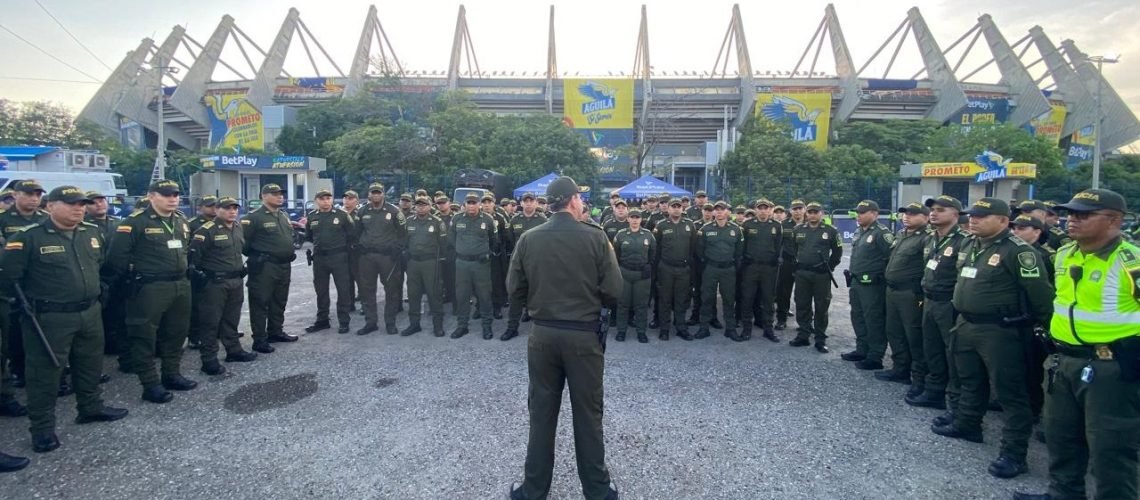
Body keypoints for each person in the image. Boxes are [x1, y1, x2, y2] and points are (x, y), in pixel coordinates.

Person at [1014, 188, 1140, 500]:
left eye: (1083, 214)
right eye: (1070, 213)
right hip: (1065, 360)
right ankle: (1063, 494)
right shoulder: (1065, 254)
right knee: (1061, 436)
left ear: (1114, 220)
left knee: (1110, 447)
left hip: (1110, 366)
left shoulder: (1130, 261)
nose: (1072, 220)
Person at [506, 176, 622, 500]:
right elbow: (614, 290)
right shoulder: (596, 238)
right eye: (580, 198)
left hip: (542, 336)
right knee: (588, 414)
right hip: (584, 339)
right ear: (572, 200)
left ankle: (533, 491)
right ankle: (598, 491)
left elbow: (513, 289)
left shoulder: (529, 238)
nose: (583, 203)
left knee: (541, 413)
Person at [0, 186, 129, 453]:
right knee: (45, 374)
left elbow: (103, 267)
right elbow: (9, 279)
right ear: (50, 206)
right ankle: (43, 429)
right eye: (71, 203)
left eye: (82, 204)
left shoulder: (91, 233)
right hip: (49, 317)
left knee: (90, 364)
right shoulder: (28, 238)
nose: (78, 208)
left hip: (89, 312)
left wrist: (100, 291)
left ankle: (90, 408)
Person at [931, 198, 1053, 479]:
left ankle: (1013, 453)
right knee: (969, 379)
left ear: (1003, 220)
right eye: (972, 215)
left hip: (1001, 330)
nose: (973, 220)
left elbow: (1041, 297)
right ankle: (968, 423)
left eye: (982, 216)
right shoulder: (971, 243)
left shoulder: (1018, 252)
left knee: (1010, 392)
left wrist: (1046, 331)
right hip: (966, 323)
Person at [107, 179, 197, 404]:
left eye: (175, 194)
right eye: (166, 194)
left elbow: (186, 249)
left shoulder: (181, 220)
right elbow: (117, 258)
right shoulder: (135, 222)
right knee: (144, 335)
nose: (173, 198)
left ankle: (171, 374)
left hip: (179, 284)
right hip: (149, 287)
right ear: (151, 196)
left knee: (177, 332)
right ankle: (150, 383)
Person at [907, 196, 965, 415]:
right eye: (932, 210)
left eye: (941, 210)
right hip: (930, 300)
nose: (934, 213)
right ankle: (934, 392)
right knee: (931, 350)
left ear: (955, 215)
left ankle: (957, 406)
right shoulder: (932, 239)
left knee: (954, 354)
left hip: (948, 304)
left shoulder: (964, 241)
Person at [189, 197, 257, 375]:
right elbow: (194, 259)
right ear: (217, 210)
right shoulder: (206, 231)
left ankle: (233, 351)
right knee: (211, 322)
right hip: (215, 283)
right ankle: (209, 359)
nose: (232, 211)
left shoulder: (237, 227)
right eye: (227, 208)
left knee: (231, 318)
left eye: (235, 208)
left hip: (235, 280)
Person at [0, 180, 48, 391]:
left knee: (40, 330)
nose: (34, 198)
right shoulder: (3, 219)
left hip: (38, 284)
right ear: (15, 195)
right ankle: (18, 371)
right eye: (29, 194)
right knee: (14, 333)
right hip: (12, 285)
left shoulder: (45, 219)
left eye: (37, 195)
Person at [241, 184, 299, 351]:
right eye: (274, 194)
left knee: (279, 300)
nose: (280, 196)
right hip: (265, 266)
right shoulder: (253, 218)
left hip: (283, 265)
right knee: (260, 302)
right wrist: (259, 256)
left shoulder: (283, 215)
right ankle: (259, 339)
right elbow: (243, 244)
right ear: (263, 196)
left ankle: (276, 331)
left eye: (281, 194)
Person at [879, 202, 930, 391]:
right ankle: (900, 369)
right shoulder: (901, 234)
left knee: (914, 335)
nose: (906, 217)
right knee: (895, 331)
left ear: (925, 217)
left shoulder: (927, 238)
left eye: (913, 214)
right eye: (904, 213)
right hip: (893, 291)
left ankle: (919, 378)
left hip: (911, 293)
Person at [844, 200, 893, 368]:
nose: (859, 215)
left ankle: (875, 356)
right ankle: (862, 349)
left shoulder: (881, 233)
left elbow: (891, 258)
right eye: (857, 212)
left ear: (874, 214)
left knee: (874, 320)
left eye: (863, 212)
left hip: (873, 285)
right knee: (858, 317)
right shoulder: (859, 231)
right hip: (857, 282)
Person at [788, 202, 841, 352]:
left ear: (821, 213)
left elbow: (837, 253)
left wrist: (829, 267)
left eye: (815, 212)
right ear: (807, 213)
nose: (812, 214)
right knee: (802, 304)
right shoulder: (798, 229)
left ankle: (820, 338)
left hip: (821, 275)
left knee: (821, 306)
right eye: (810, 212)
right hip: (803, 273)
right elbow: (794, 249)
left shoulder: (831, 231)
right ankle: (803, 335)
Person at [354, 183, 406, 336]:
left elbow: (403, 234)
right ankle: (371, 323)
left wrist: (397, 250)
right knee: (367, 290)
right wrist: (359, 247)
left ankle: (390, 323)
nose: (376, 195)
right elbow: (356, 232)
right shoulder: (362, 211)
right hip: (367, 257)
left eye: (379, 193)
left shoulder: (394, 211)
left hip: (387, 257)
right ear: (369, 195)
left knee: (392, 290)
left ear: (383, 194)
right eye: (373, 193)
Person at [304, 189, 355, 334]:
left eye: (328, 198)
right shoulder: (312, 216)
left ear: (332, 200)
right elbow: (308, 236)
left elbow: (352, 234)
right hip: (320, 258)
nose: (325, 201)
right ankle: (322, 321)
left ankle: (344, 322)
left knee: (343, 290)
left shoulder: (342, 215)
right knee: (321, 291)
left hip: (339, 257)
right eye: (322, 199)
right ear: (316, 201)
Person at [449, 193, 498, 340]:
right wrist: (461, 250)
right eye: (469, 202)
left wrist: (486, 253)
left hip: (481, 264)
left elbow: (494, 240)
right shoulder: (457, 218)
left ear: (479, 204)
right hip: (462, 263)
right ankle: (462, 325)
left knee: (484, 295)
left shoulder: (488, 219)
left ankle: (487, 326)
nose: (471, 205)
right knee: (462, 295)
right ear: (464, 204)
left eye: (474, 202)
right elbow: (451, 238)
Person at [83, 191, 125, 358]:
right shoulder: (84, 226)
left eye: (101, 201)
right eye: (93, 202)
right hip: (98, 276)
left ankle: (117, 344)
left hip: (118, 276)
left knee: (119, 313)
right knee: (100, 316)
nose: (99, 204)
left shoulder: (118, 223)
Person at [502, 193, 547, 341]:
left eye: (531, 201)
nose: (528, 204)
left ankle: (540, 329)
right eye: (525, 201)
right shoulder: (515, 219)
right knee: (515, 294)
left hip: (537, 263)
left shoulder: (543, 220)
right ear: (521, 203)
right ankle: (512, 327)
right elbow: (509, 239)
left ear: (536, 204)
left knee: (538, 294)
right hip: (519, 262)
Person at [696, 201, 744, 340]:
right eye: (716, 210)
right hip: (711, 268)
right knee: (706, 298)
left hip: (728, 269)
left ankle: (730, 328)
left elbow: (739, 250)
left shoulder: (736, 229)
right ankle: (704, 328)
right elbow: (699, 250)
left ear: (728, 212)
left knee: (729, 299)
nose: (719, 212)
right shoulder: (705, 229)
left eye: (722, 209)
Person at [653, 198, 697, 341]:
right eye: (673, 206)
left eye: (679, 206)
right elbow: (656, 248)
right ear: (669, 209)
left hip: (683, 269)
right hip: (666, 268)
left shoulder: (689, 225)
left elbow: (693, 247)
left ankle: (681, 327)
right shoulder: (661, 225)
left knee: (681, 300)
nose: (676, 209)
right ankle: (664, 328)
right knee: (665, 299)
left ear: (682, 209)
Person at [402, 196, 447, 337]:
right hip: (413, 263)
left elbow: (444, 243)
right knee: (413, 294)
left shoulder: (437, 222)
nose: (421, 207)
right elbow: (404, 241)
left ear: (430, 206)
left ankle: (438, 326)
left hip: (431, 263)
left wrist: (440, 262)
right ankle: (414, 324)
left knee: (434, 294)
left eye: (424, 205)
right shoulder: (409, 221)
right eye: (418, 205)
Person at [739, 198, 783, 342]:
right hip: (751, 267)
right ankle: (747, 329)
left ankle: (768, 329)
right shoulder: (747, 225)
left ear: (770, 210)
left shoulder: (776, 226)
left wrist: (776, 261)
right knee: (747, 298)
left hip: (768, 268)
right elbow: (742, 246)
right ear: (756, 210)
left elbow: (779, 246)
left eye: (766, 208)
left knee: (768, 299)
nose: (763, 210)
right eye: (760, 208)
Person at [613, 208, 656, 343]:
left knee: (641, 305)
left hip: (642, 275)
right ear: (628, 219)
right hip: (625, 272)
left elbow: (653, 254)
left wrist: (648, 265)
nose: (635, 220)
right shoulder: (621, 235)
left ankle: (641, 332)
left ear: (641, 219)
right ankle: (621, 331)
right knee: (623, 304)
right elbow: (616, 254)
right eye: (632, 217)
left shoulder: (648, 235)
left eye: (637, 217)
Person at [185, 195, 218, 349]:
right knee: (197, 305)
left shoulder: (222, 223)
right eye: (210, 205)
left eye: (216, 205)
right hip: (200, 270)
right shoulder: (192, 225)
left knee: (217, 305)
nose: (214, 208)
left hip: (217, 270)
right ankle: (195, 336)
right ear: (200, 208)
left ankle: (218, 331)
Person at [775, 199, 806, 330]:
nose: (797, 211)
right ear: (790, 210)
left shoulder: (811, 224)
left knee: (804, 294)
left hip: (804, 264)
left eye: (800, 208)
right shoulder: (783, 225)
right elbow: (778, 244)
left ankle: (804, 322)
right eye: (795, 209)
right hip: (787, 262)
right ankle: (781, 320)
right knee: (783, 292)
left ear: (804, 209)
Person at [482, 194, 509, 320]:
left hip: (496, 255)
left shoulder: (500, 217)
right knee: (481, 283)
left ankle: (497, 307)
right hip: (481, 255)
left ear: (494, 203)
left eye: (489, 202)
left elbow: (506, 235)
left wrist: (499, 248)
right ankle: (480, 308)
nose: (487, 204)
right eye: (484, 202)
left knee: (496, 281)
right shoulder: (478, 217)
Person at [342, 190, 362, 309]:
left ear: (356, 201)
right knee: (347, 278)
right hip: (344, 251)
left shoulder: (360, 214)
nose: (347, 200)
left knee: (361, 278)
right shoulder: (339, 214)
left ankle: (365, 305)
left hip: (358, 251)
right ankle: (350, 303)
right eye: (345, 198)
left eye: (350, 198)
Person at [435, 195, 457, 305]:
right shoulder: (434, 217)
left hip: (452, 252)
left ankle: (454, 300)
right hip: (438, 252)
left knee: (453, 278)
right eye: (439, 203)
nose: (441, 205)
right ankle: (445, 297)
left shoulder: (456, 217)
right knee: (439, 278)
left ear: (449, 203)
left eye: (444, 202)